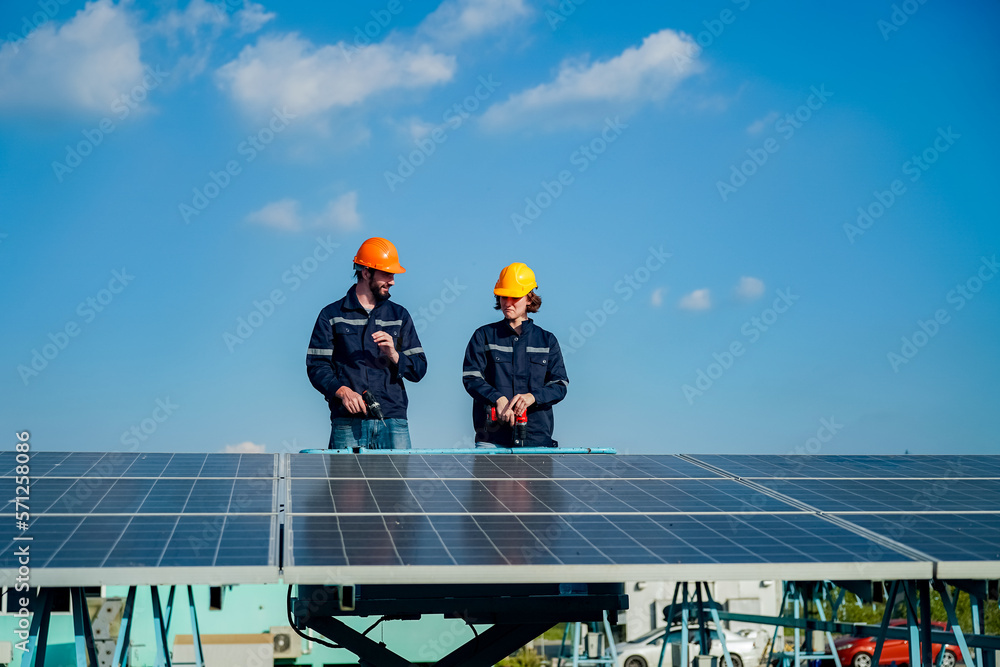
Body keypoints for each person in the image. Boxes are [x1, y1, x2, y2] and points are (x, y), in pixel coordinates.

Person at [306, 237, 427, 449]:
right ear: (366, 272)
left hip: (393, 421)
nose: (392, 281)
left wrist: (395, 355)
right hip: (347, 423)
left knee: (396, 483)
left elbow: (419, 369)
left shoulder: (400, 315)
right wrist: (342, 391)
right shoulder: (331, 315)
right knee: (345, 482)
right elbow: (317, 366)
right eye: (387, 274)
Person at [462, 262, 568, 448]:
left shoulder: (547, 340)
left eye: (514, 297)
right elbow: (471, 378)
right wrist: (497, 398)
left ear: (529, 298)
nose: (507, 302)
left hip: (536, 440)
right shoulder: (483, 336)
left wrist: (533, 397)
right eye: (503, 296)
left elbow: (559, 384)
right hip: (492, 440)